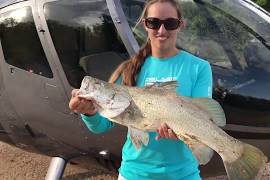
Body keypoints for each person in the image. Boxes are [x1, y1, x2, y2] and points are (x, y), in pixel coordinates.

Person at [69, 0, 213, 179]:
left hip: (183, 174)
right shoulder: (129, 69)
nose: (161, 31)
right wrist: (89, 113)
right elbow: (102, 126)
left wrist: (185, 134)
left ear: (180, 25)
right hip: (133, 174)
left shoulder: (199, 67)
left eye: (170, 23)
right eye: (154, 23)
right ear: (145, 25)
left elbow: (204, 116)